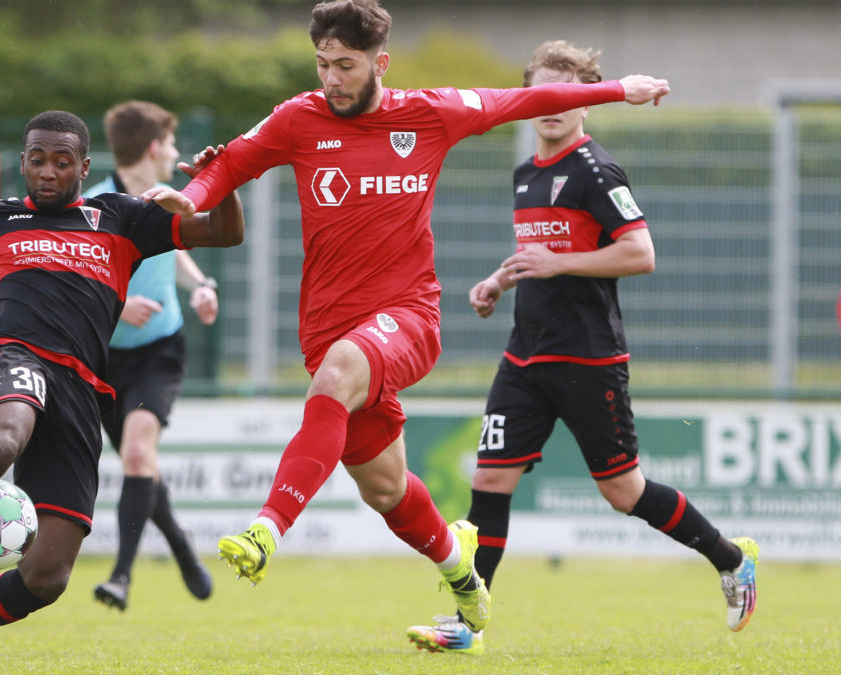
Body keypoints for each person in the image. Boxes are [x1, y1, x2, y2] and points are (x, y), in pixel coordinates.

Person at [147, 0, 671, 639]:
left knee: (340, 372)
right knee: (387, 490)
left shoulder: (427, 114)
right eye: (322, 64)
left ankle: (264, 531)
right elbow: (231, 162)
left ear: (380, 63)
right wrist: (193, 195)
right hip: (327, 327)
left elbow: (519, 101)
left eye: (345, 65)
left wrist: (622, 90)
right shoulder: (299, 119)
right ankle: (463, 576)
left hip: (408, 317)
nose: (331, 78)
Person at [405, 40, 758, 656]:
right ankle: (469, 626)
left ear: (586, 102)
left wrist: (557, 262)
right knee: (489, 479)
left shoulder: (597, 170)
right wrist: (499, 280)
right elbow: (539, 254)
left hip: (588, 357)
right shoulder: (526, 174)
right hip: (525, 354)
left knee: (624, 493)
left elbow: (640, 254)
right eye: (543, 94)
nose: (553, 107)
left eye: (567, 96)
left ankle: (731, 559)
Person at [0, 110, 243, 674]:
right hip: (13, 356)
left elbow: (225, 232)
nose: (47, 172)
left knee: (47, 577)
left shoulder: (118, 216)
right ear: (22, 162)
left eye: (62, 162)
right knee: (6, 433)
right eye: (36, 159)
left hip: (84, 389)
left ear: (84, 168)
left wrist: (225, 181)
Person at [83, 101, 217, 611]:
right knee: (143, 465)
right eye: (174, 144)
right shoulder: (95, 207)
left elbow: (174, 247)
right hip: (104, 361)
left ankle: (120, 577)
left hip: (160, 351)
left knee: (138, 454)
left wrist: (201, 285)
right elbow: (75, 287)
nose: (179, 154)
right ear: (155, 148)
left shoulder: (166, 200)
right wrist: (118, 307)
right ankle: (182, 545)